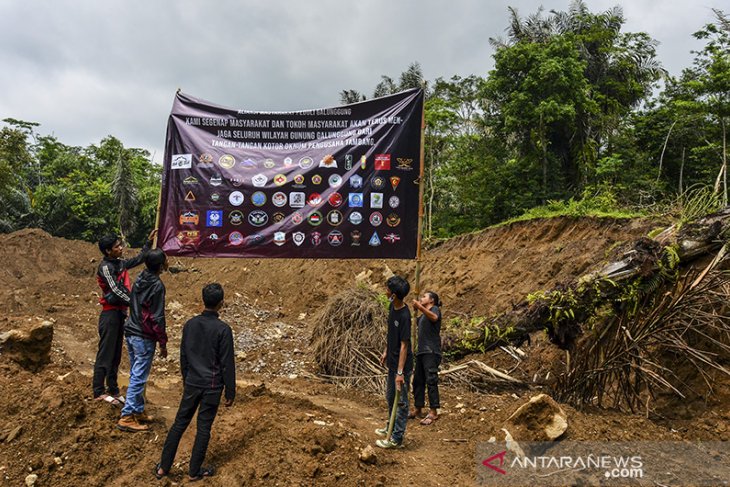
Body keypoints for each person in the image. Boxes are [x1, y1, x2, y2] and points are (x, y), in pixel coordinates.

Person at [155, 283, 235, 481]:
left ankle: (164, 467)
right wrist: (230, 391)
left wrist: (186, 378)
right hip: (212, 386)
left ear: (203, 300)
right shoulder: (223, 330)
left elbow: (184, 355)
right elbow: (227, 363)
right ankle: (194, 470)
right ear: (221, 304)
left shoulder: (190, 324)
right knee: (204, 428)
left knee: (179, 423)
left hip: (192, 382)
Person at [93, 229, 156, 407]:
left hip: (120, 313)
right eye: (117, 246)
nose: (121, 248)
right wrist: (135, 303)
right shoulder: (106, 267)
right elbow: (115, 290)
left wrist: (147, 243)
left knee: (115, 354)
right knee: (105, 353)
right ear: (107, 251)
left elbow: (137, 259)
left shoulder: (119, 263)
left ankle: (112, 388)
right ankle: (98, 391)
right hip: (110, 314)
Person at [117, 249, 169, 432]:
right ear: (161, 265)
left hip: (131, 329)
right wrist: (163, 341)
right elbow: (157, 317)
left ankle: (137, 409)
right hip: (143, 335)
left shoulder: (140, 277)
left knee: (135, 372)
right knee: (139, 375)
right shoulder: (157, 286)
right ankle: (127, 415)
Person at [375, 275, 413, 449]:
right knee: (390, 397)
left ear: (395, 294)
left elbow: (405, 345)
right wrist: (386, 351)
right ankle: (389, 425)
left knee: (402, 401)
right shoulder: (392, 306)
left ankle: (396, 437)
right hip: (392, 361)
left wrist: (400, 373)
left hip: (401, 366)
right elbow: (392, 336)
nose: (386, 291)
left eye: (388, 290)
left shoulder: (405, 315)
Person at [410, 291, 443, 425]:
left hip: (432, 351)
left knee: (431, 380)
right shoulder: (423, 316)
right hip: (422, 351)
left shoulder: (434, 309)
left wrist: (419, 307)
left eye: (424, 296)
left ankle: (433, 411)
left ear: (431, 300)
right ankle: (418, 408)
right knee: (418, 381)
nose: (421, 298)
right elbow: (413, 323)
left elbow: (434, 318)